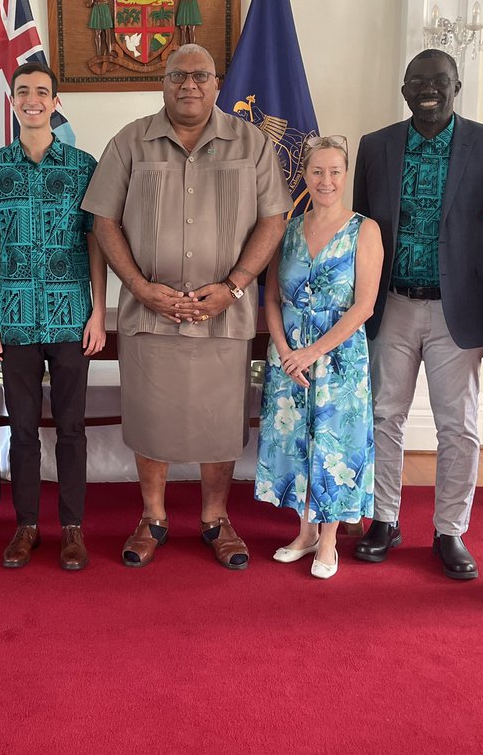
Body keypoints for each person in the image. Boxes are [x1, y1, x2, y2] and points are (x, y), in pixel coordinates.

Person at [84, 43, 291, 570]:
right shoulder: (130, 142)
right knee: (150, 417)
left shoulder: (251, 143)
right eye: (179, 75)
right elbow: (103, 220)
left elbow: (274, 218)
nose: (189, 85)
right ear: (163, 82)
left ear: (217, 83)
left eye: (200, 75)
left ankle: (215, 519)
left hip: (226, 310)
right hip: (148, 312)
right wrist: (138, 285)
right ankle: (152, 517)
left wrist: (237, 284)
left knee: (219, 421)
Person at [351, 49, 483, 580]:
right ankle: (384, 520)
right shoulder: (375, 147)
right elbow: (360, 233)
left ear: (457, 86)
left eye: (439, 81)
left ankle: (450, 531)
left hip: (461, 310)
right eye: (418, 81)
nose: (429, 89)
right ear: (404, 90)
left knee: (460, 426)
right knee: (383, 417)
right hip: (392, 305)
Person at [0, 62, 107, 571]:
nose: (32, 99)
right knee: (23, 429)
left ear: (54, 101)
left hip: (72, 317)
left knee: (71, 428)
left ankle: (72, 528)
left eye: (42, 92)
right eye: (23, 91)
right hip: (15, 318)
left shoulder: (82, 166)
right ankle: (26, 525)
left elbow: (96, 241)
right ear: (13, 101)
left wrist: (96, 311)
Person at [256, 137, 383, 579]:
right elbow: (270, 298)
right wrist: (286, 351)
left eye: (334, 172)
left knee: (334, 442)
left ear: (345, 175)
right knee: (295, 441)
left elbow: (364, 306)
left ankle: (329, 539)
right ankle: (305, 532)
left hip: (338, 356)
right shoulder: (288, 229)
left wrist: (312, 351)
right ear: (304, 176)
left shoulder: (365, 229)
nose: (325, 180)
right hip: (288, 354)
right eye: (317, 172)